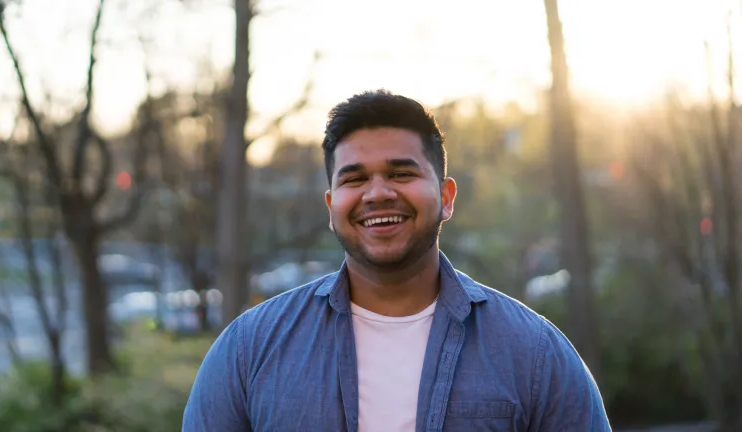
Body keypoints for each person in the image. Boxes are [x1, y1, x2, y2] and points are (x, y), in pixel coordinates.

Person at [182, 89, 611, 431]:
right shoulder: (249, 350)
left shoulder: (534, 353)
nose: (377, 193)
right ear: (331, 207)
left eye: (401, 173)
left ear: (446, 197)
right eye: (355, 178)